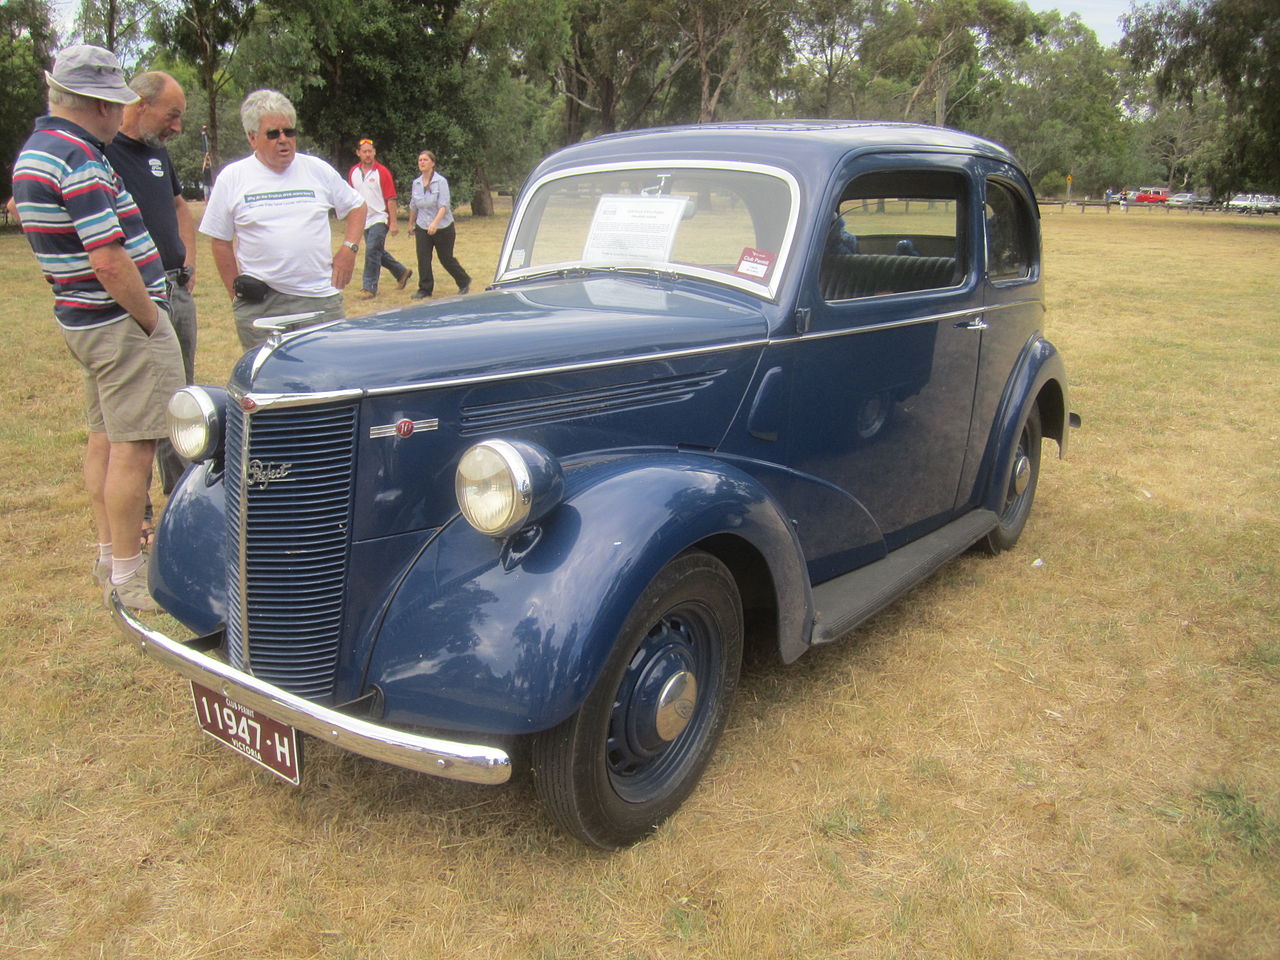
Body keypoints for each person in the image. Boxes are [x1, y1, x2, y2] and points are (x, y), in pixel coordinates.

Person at [11, 45, 185, 612]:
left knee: (104, 440)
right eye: (113, 104)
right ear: (98, 105)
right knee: (134, 450)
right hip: (119, 323)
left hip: (80, 320)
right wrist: (149, 317)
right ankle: (131, 577)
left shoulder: (35, 152)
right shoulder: (79, 157)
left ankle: (110, 555)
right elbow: (108, 259)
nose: (118, 115)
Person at [200, 89, 366, 349]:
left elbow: (357, 206)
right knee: (269, 383)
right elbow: (220, 241)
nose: (284, 139)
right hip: (263, 304)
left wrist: (349, 249)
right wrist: (236, 296)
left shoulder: (317, 170)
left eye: (289, 132)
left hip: (319, 298)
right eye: (273, 133)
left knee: (330, 378)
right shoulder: (232, 178)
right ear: (252, 137)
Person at [105, 71, 197, 499]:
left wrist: (188, 260)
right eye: (172, 115)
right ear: (140, 104)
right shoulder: (102, 153)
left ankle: (184, 496)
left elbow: (180, 207)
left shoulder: (159, 154)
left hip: (177, 290)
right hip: (139, 297)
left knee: (184, 401)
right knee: (140, 411)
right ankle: (138, 510)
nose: (176, 127)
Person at [348, 138, 411, 299]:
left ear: (374, 152)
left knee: (371, 251)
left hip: (379, 217)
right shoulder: (353, 172)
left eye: (370, 151)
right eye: (364, 152)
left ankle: (369, 287)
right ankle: (401, 272)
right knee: (376, 251)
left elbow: (391, 198)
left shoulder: (382, 172)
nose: (368, 155)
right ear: (358, 153)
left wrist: (394, 223)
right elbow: (350, 196)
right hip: (363, 219)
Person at [407, 150, 470, 300]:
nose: (422, 162)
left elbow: (444, 205)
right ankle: (425, 289)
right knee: (423, 258)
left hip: (443, 227)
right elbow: (413, 206)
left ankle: (463, 281)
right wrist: (411, 224)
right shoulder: (416, 183)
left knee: (445, 258)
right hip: (422, 226)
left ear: (433, 163)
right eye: (420, 160)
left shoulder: (440, 182)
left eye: (425, 160)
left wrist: (435, 223)